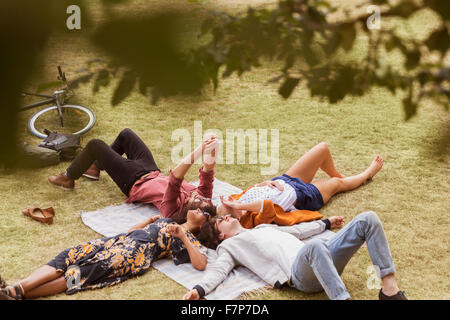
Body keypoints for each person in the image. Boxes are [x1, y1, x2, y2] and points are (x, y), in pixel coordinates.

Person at [182, 211, 408, 300]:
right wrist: (199, 290)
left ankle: (390, 292)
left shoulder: (262, 228)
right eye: (221, 220)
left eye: (225, 215)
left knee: (368, 219)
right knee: (315, 247)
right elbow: (219, 270)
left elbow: (297, 231)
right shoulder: (230, 247)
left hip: (324, 259)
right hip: (300, 274)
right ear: (221, 236)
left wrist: (325, 223)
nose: (227, 217)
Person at [0, 208, 216, 300]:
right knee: (68, 256)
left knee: (81, 272)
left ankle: (18, 291)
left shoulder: (189, 238)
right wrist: (150, 221)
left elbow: (201, 263)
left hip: (134, 255)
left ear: (203, 226)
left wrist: (183, 237)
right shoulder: (168, 220)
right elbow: (133, 231)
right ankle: (15, 291)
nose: (199, 210)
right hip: (119, 239)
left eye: (205, 212)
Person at [48, 128, 219, 223]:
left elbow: (176, 177)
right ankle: (94, 168)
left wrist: (200, 149)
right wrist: (213, 146)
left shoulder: (173, 209)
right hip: (151, 170)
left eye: (199, 200)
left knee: (95, 145)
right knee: (126, 135)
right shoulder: (203, 199)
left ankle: (67, 177)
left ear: (191, 210)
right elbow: (208, 170)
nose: (200, 195)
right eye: (205, 199)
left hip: (133, 181)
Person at [217, 142, 384, 227]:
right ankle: (366, 175)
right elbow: (267, 206)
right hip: (303, 197)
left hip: (287, 179)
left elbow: (255, 189)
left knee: (322, 149)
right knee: (336, 183)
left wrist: (265, 183)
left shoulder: (239, 201)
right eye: (232, 205)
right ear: (235, 216)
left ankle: (346, 179)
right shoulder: (252, 221)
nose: (233, 199)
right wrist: (241, 205)